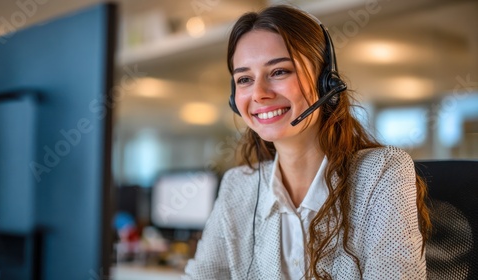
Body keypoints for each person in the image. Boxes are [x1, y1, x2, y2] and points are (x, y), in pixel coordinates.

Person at [183, 5, 431, 280]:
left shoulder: (382, 173)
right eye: (244, 79)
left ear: (326, 82)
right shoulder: (237, 187)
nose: (259, 93)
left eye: (279, 72)